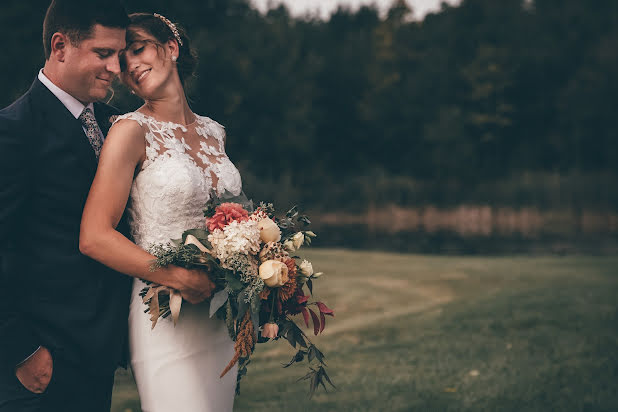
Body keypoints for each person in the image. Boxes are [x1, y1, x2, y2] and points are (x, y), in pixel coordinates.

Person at [79, 13, 242, 412]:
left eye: (138, 49)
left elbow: (230, 219)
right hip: (162, 311)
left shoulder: (214, 132)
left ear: (171, 47)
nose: (129, 65)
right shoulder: (129, 131)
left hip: (220, 316)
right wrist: (176, 276)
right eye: (121, 59)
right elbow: (94, 236)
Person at [0, 1, 130, 411]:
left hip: (99, 356)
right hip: (41, 364)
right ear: (60, 46)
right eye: (103, 53)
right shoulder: (13, 131)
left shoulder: (117, 125)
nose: (115, 68)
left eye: (120, 55)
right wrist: (21, 350)